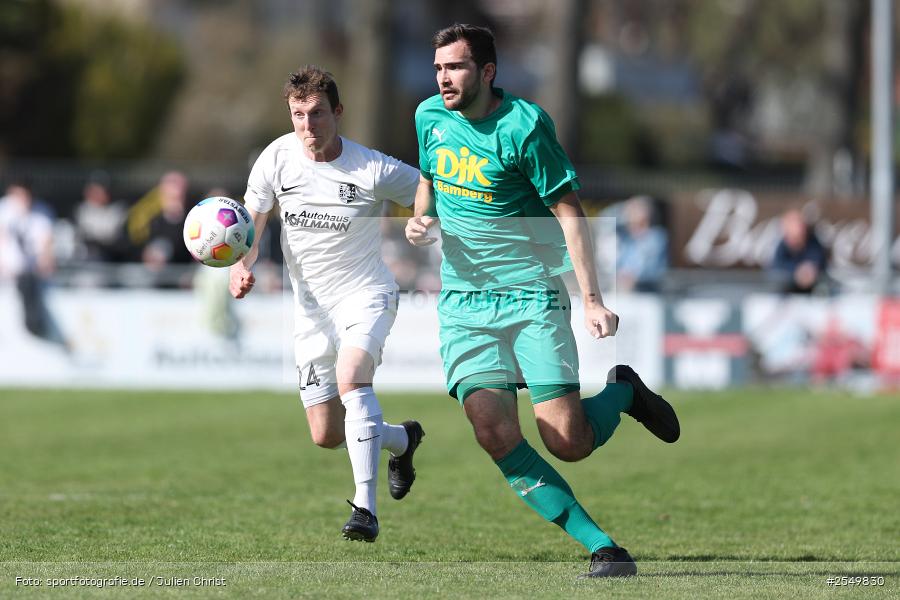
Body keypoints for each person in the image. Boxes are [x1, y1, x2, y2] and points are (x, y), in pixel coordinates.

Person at [405, 24, 680, 578]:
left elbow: (570, 214)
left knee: (567, 442)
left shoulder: (526, 127)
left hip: (532, 294)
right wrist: (421, 215)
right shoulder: (428, 116)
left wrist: (593, 300)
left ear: (487, 72)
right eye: (438, 68)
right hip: (464, 302)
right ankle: (604, 548)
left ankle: (623, 392)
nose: (443, 78)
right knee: (493, 431)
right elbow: (429, 174)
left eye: (455, 67)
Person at [230, 66, 425, 543]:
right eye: (298, 114)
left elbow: (426, 185)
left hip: (366, 295)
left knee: (352, 378)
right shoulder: (275, 158)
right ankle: (403, 438)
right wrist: (241, 262)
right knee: (327, 434)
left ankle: (365, 509)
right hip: (311, 310)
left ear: (337, 112)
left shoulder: (370, 167)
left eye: (317, 114)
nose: (307, 125)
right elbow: (252, 224)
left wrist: (421, 220)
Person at [0, 180, 68, 348]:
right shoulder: (4, 210)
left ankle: (35, 325)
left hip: (30, 273)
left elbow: (46, 244)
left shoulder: (42, 212)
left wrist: (45, 261)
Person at [768, 208, 828, 294]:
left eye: (800, 225)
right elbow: (776, 269)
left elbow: (815, 263)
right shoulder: (781, 247)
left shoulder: (813, 243)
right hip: (786, 296)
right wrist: (795, 271)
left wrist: (807, 271)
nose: (799, 229)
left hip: (813, 296)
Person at [615, 196, 668, 293]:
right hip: (624, 290)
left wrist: (632, 277)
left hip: (648, 292)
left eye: (634, 210)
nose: (629, 214)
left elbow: (654, 268)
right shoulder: (625, 238)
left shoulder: (657, 237)